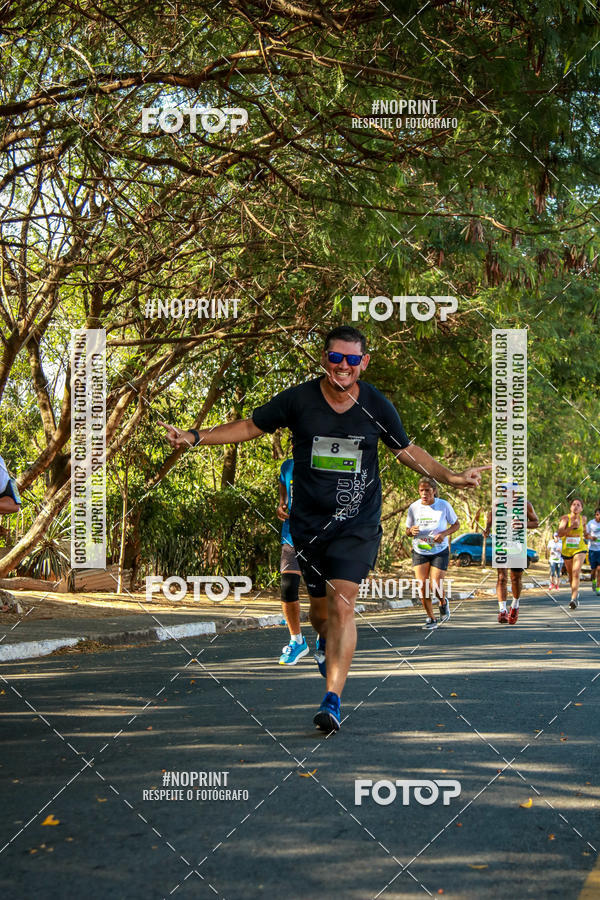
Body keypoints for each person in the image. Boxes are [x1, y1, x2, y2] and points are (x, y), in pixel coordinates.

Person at [160, 325, 489, 732]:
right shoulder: (299, 399)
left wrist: (453, 477)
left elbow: (405, 450)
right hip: (309, 527)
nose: (344, 366)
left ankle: (332, 700)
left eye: (353, 359)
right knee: (320, 615)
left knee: (343, 605)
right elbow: (248, 427)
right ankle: (322, 643)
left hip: (358, 524)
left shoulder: (375, 405)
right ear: (324, 358)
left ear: (364, 363)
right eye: (337, 357)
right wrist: (194, 436)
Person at [405, 476, 459, 629]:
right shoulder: (413, 507)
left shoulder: (443, 505)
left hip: (439, 551)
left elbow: (456, 524)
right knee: (422, 585)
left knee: (435, 585)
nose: (424, 494)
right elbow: (407, 531)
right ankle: (431, 618)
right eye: (421, 490)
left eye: (427, 490)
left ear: (434, 491)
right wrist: (411, 531)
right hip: (420, 550)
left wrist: (444, 534)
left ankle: (443, 602)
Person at [483, 485, 539, 624]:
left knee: (515, 578)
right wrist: (487, 530)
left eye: (509, 490)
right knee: (501, 577)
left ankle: (515, 605)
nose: (506, 492)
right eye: (504, 490)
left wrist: (522, 524)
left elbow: (536, 522)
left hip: (517, 545)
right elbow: (490, 521)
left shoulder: (525, 505)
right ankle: (502, 610)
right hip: (501, 544)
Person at [276, 459, 309, 665]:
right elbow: (283, 486)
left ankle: (325, 639)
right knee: (287, 586)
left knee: (323, 593)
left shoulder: (325, 459)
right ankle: (296, 640)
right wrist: (281, 504)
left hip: (322, 535)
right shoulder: (287, 466)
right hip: (292, 534)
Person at [558, 499, 590, 609]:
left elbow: (585, 533)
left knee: (576, 572)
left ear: (581, 508)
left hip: (579, 549)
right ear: (570, 507)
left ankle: (573, 599)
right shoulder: (565, 518)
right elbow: (560, 533)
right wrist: (571, 527)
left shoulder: (583, 519)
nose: (575, 507)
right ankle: (574, 595)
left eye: (578, 505)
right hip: (567, 550)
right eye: (573, 504)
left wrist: (588, 536)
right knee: (571, 575)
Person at [587, 507, 600, 595]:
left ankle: (598, 587)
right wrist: (592, 538)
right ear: (595, 515)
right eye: (597, 514)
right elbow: (586, 535)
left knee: (599, 569)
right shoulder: (591, 523)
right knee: (593, 570)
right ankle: (594, 581)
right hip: (592, 549)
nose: (598, 516)